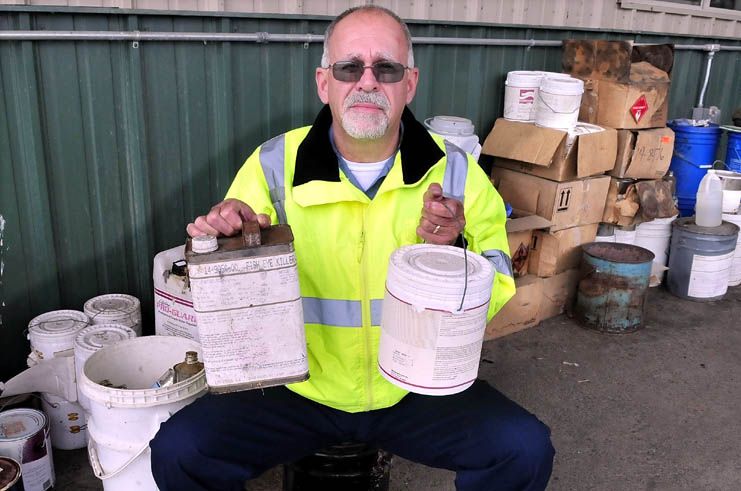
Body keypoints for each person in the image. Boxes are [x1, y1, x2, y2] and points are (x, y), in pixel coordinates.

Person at [150, 5, 555, 490]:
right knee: (180, 453)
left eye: (386, 68)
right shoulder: (273, 165)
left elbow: (498, 284)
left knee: (524, 451)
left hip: (413, 387)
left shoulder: (456, 174)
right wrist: (226, 239)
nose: (367, 82)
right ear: (325, 83)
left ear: (410, 83)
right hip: (298, 388)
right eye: (349, 68)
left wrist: (454, 253)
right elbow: (233, 299)